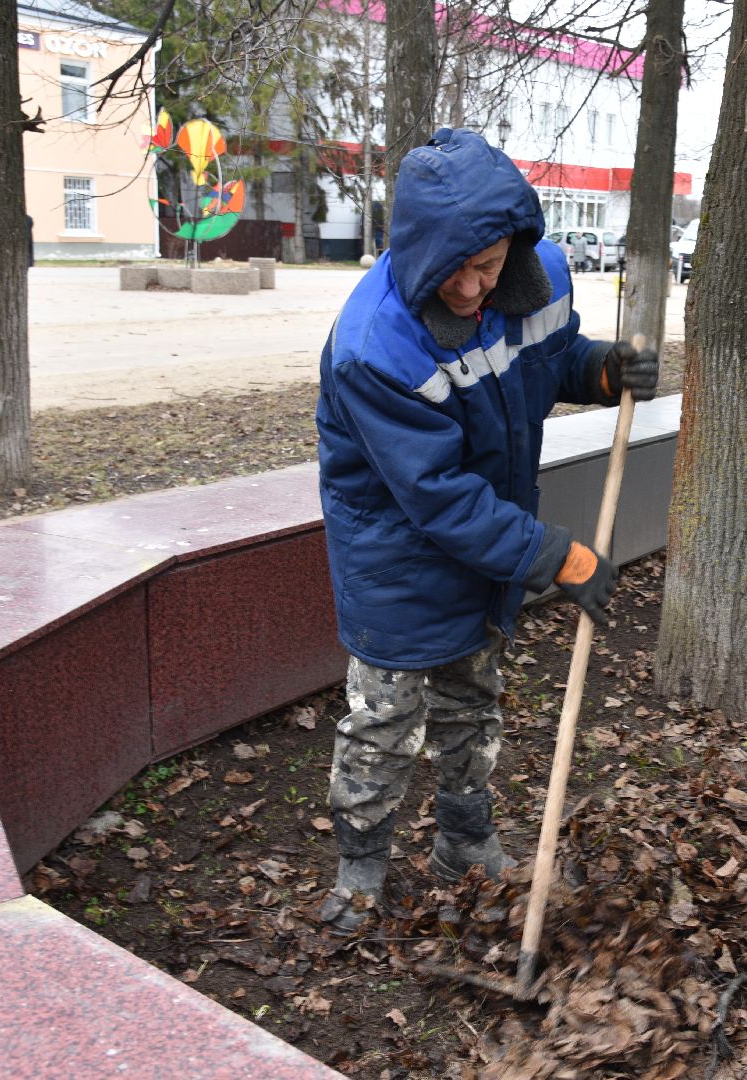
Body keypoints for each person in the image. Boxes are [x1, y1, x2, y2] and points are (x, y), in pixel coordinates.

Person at [314, 128, 658, 933]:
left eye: (491, 266)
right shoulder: (377, 349)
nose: (473, 287)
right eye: (456, 271)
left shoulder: (529, 283)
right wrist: (554, 555)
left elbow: (547, 357)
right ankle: (360, 870)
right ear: (419, 252)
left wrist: (602, 369)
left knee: (473, 702)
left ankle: (465, 844)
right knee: (385, 722)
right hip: (397, 559)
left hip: (485, 547)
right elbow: (435, 497)